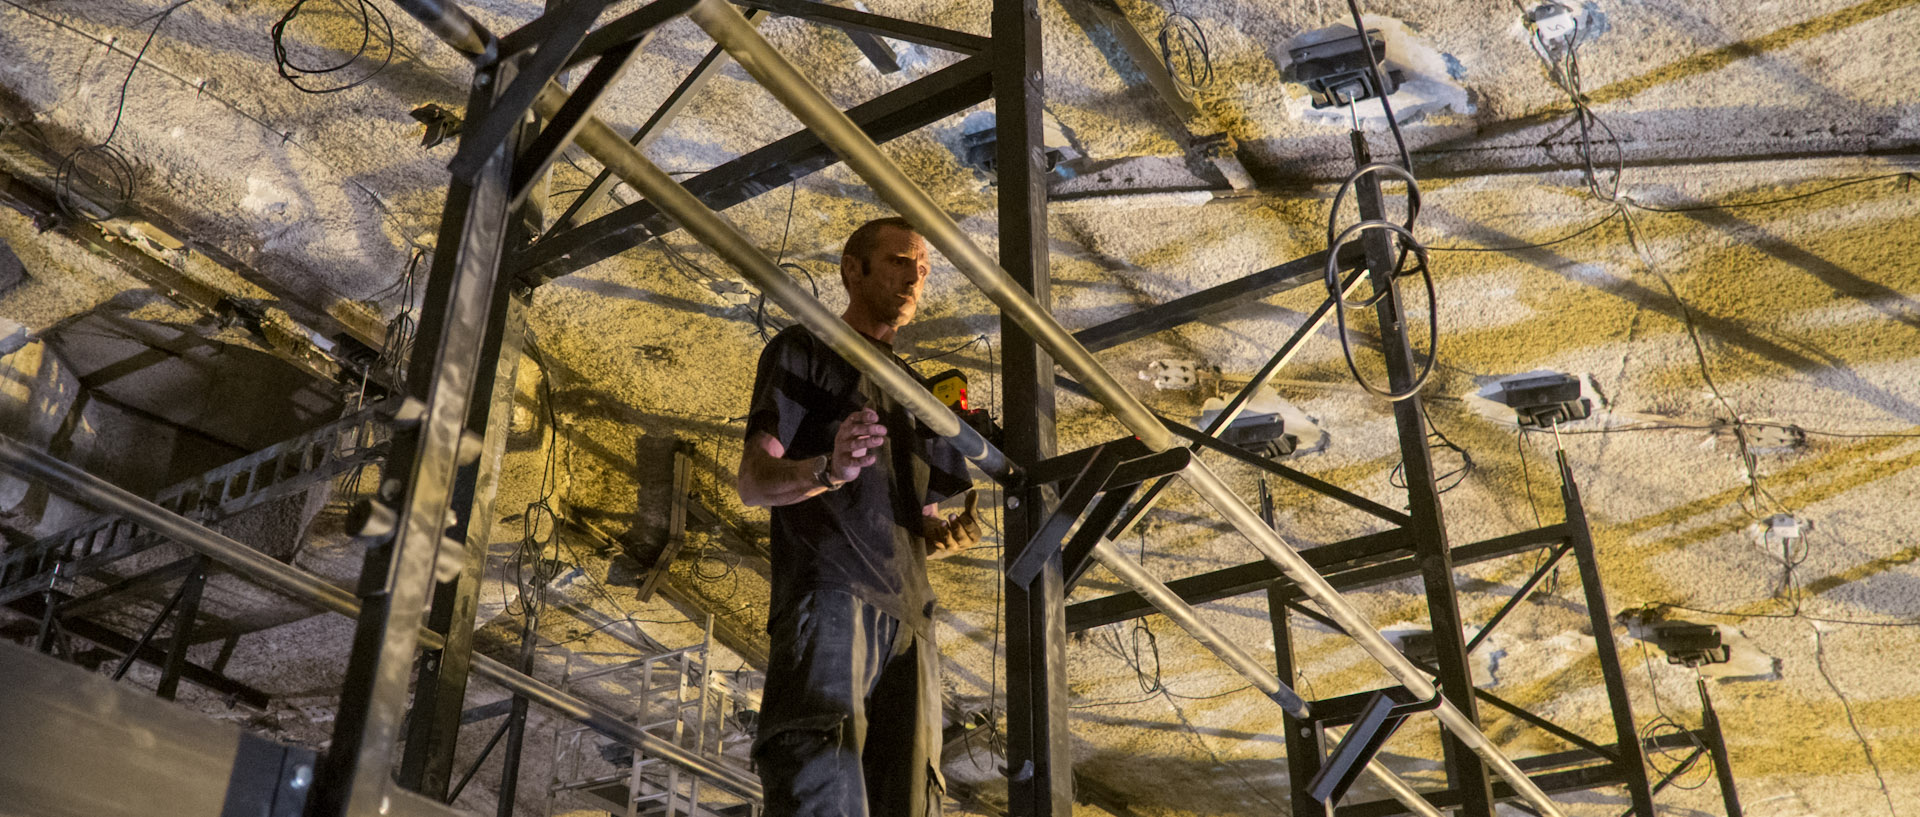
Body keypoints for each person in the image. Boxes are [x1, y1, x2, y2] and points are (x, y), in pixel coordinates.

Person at [736, 216, 982, 817]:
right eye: (899, 261)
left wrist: (936, 530)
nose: (914, 278)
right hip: (834, 590)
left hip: (911, 616)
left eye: (922, 270)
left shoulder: (919, 396)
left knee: (911, 797)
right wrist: (827, 469)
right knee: (822, 777)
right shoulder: (806, 350)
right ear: (853, 268)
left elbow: (913, 509)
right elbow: (752, 483)